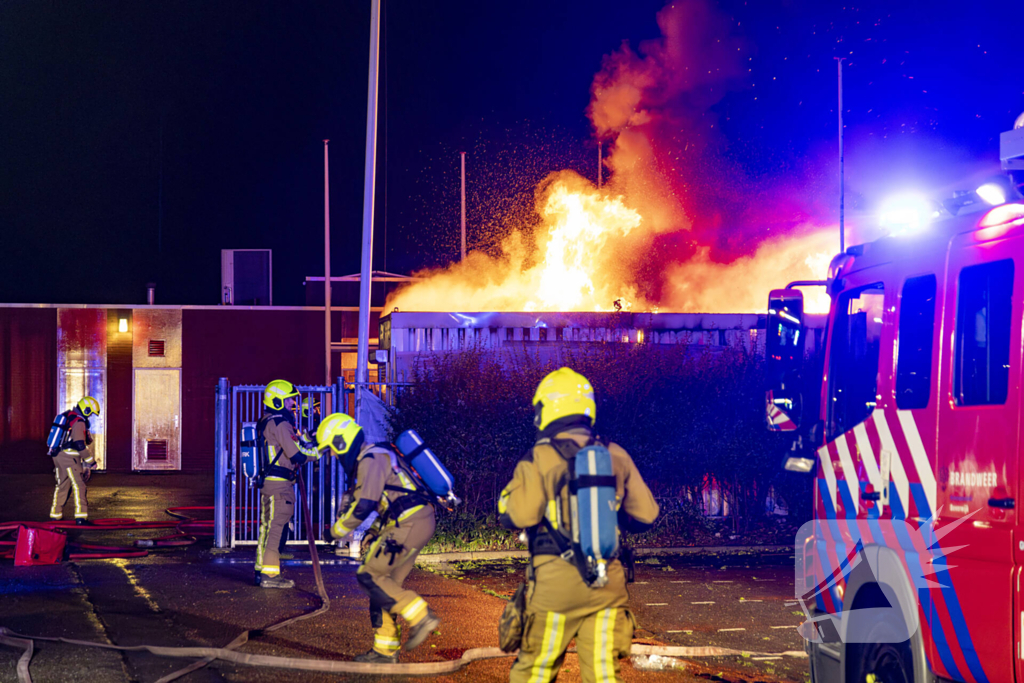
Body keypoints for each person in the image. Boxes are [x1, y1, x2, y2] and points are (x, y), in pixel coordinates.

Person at [497, 367, 660, 683]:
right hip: (608, 585)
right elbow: (646, 515)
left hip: (557, 587)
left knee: (535, 671)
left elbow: (519, 516)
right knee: (602, 674)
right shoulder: (615, 453)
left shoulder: (540, 456)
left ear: (548, 408)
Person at [316, 412, 441, 663]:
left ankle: (420, 615)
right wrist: (374, 532)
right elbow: (387, 501)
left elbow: (363, 506)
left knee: (368, 576)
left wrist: (334, 532)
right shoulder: (378, 455)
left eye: (333, 450)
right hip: (413, 520)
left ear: (341, 442)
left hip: (409, 522)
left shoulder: (370, 459)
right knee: (382, 586)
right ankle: (385, 650)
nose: (336, 457)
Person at [254, 380, 320, 589]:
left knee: (267, 529)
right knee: (274, 531)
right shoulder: (280, 423)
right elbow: (296, 454)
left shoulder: (266, 421)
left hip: (270, 483)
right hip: (279, 487)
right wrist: (317, 453)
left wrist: (306, 438)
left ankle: (260, 570)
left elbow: (289, 444)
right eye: (289, 399)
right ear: (277, 401)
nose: (292, 403)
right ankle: (270, 576)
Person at [49, 397, 100, 524]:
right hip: (70, 457)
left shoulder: (68, 417)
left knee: (62, 485)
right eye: (91, 413)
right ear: (86, 410)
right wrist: (91, 461)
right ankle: (81, 517)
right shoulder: (79, 422)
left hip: (58, 456)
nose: (91, 416)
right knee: (79, 486)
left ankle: (56, 515)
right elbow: (79, 444)